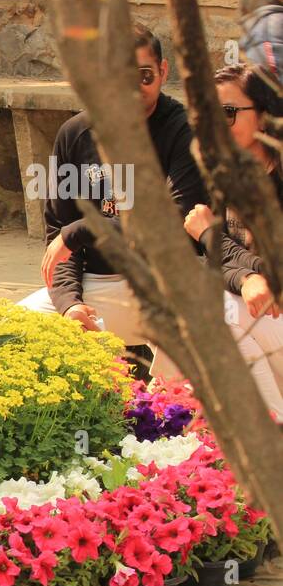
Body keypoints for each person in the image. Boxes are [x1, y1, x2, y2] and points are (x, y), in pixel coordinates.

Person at [23, 25, 209, 378]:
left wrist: (85, 228)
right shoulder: (76, 134)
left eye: (143, 75)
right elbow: (58, 234)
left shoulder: (183, 132)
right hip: (98, 283)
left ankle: (174, 422)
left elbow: (174, 229)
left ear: (163, 72)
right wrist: (69, 304)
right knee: (17, 328)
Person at [181, 64, 283, 417]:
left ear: (265, 116)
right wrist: (246, 277)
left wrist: (211, 236)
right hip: (253, 312)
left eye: (227, 113)